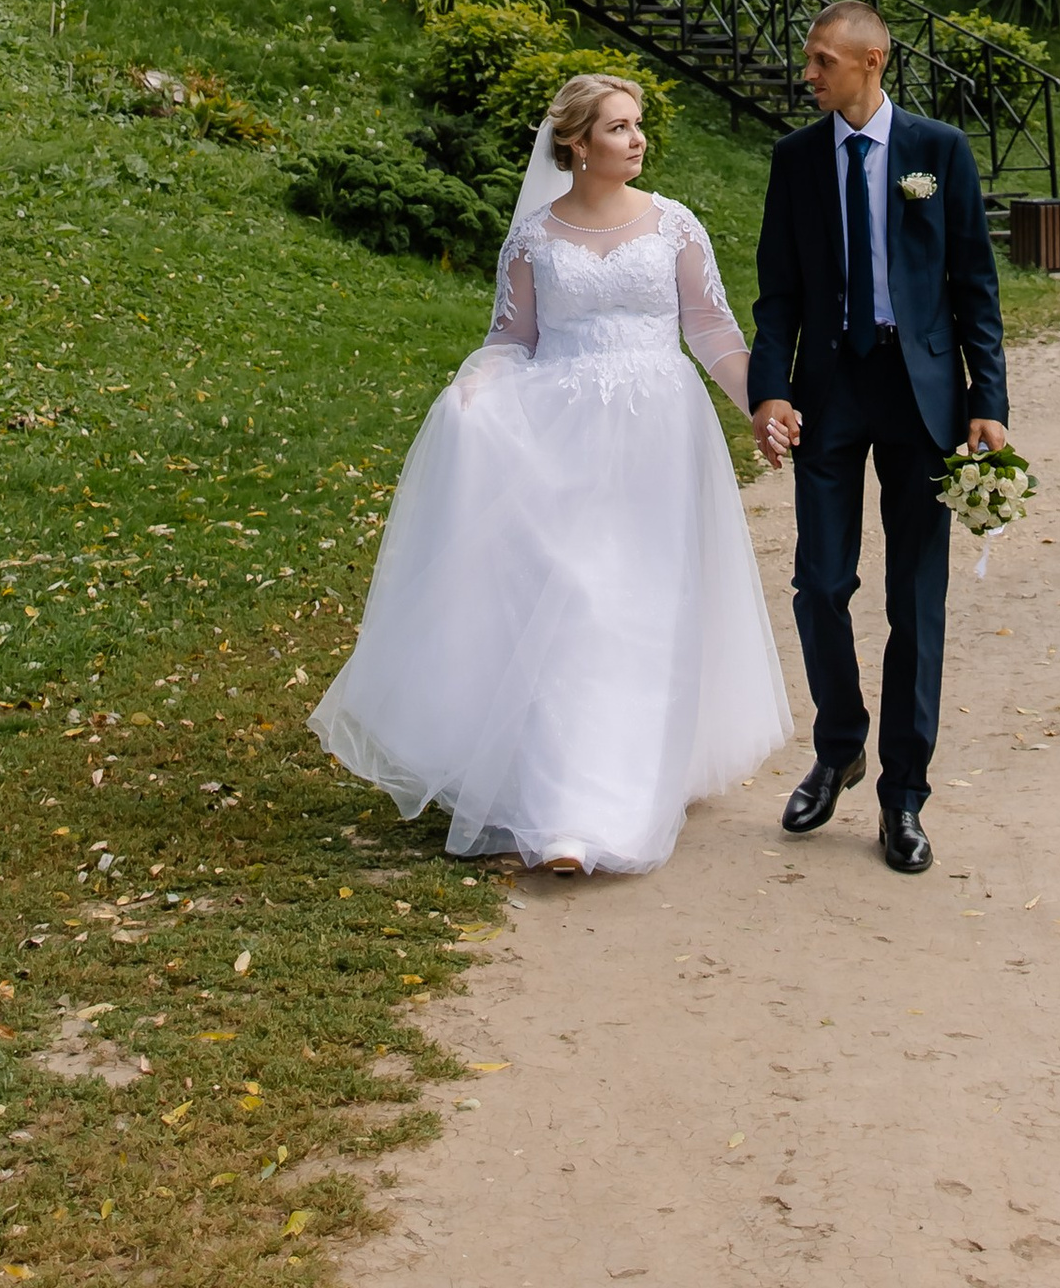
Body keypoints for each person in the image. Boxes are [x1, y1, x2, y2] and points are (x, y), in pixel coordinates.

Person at [311, 72, 791, 877]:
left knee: (642, 603)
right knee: (575, 600)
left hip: (659, 435)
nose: (637, 139)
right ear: (576, 142)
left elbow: (711, 331)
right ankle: (570, 809)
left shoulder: (674, 225)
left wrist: (761, 408)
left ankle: (636, 776)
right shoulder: (534, 238)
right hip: (562, 436)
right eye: (618, 127)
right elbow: (512, 338)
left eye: (637, 124)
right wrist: (477, 385)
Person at [747, 0, 1009, 874]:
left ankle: (904, 796)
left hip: (920, 391)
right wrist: (771, 390)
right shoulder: (794, 159)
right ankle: (838, 747)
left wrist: (988, 398)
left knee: (914, 600)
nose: (808, 74)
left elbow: (975, 282)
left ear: (872, 59)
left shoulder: (940, 150)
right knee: (819, 583)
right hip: (829, 389)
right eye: (808, 59)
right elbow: (778, 293)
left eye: (822, 59)